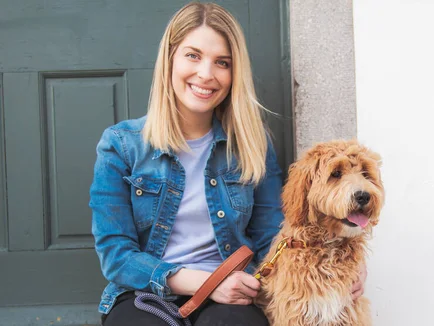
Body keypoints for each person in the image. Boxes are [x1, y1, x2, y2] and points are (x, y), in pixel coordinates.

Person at [89, 2, 366, 325]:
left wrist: (342, 263)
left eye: (222, 62)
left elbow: (273, 236)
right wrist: (208, 283)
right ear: (169, 60)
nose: (206, 74)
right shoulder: (121, 145)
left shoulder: (252, 146)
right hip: (146, 293)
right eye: (193, 55)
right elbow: (116, 255)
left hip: (237, 290)